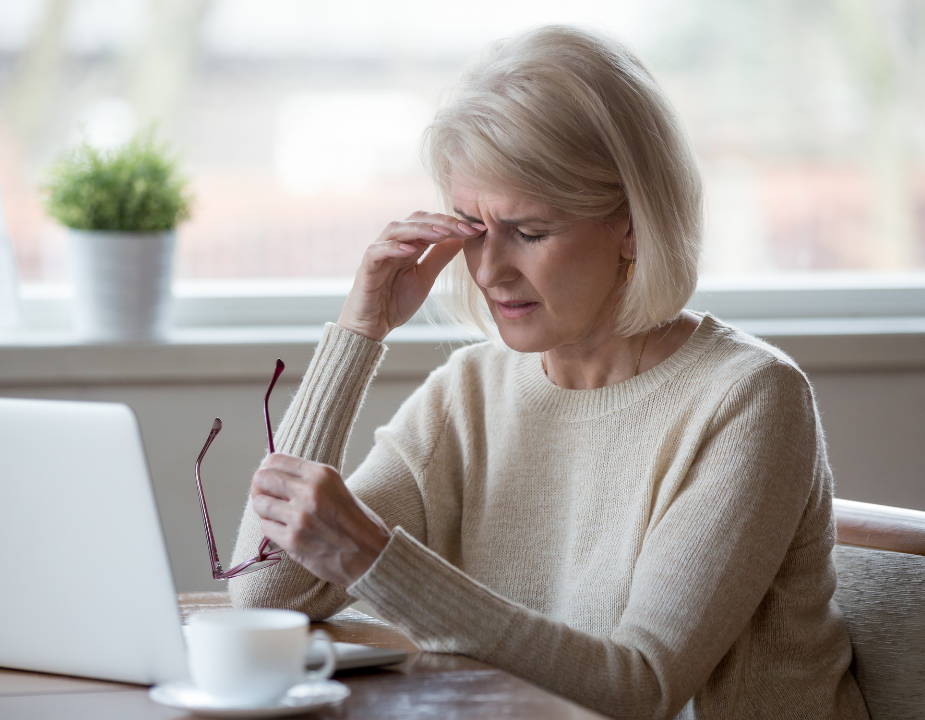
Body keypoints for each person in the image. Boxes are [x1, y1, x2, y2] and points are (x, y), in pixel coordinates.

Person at [229, 25, 869, 720]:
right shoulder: (468, 394)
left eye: (529, 232)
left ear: (631, 225)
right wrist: (358, 332)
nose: (490, 270)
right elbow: (268, 594)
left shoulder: (750, 400)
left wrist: (375, 561)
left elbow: (640, 688)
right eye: (472, 228)